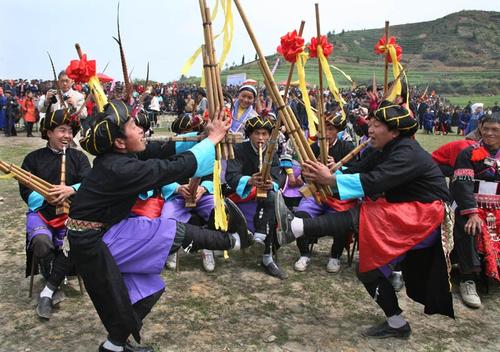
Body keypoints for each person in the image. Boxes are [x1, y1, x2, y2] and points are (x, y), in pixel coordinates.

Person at [67, 100, 252, 352]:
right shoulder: (120, 168)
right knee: (169, 230)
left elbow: (163, 148)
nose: (141, 128)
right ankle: (235, 241)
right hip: (96, 242)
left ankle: (114, 345)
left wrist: (203, 135)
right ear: (120, 142)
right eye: (133, 124)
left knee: (147, 290)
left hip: (103, 233)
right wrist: (212, 140)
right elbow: (173, 167)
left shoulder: (118, 156)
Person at [275, 101, 454, 338]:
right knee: (367, 270)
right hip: (404, 214)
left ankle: (296, 227)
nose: (369, 128)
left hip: (426, 217)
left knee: (368, 212)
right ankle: (397, 323)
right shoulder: (384, 149)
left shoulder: (407, 152)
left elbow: (375, 181)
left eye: (377, 124)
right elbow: (359, 170)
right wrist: (333, 172)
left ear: (395, 131)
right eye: (371, 122)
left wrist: (331, 180)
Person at [20, 109, 91, 319]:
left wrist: (71, 190)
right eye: (62, 130)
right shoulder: (33, 159)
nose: (67, 135)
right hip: (41, 212)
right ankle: (54, 283)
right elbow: (26, 191)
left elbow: (89, 182)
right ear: (48, 132)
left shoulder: (78, 157)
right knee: (41, 240)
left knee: (76, 240)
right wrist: (48, 196)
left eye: (70, 131)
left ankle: (48, 290)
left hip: (71, 213)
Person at [226, 114, 287, 279]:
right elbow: (231, 176)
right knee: (271, 200)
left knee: (272, 196)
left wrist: (271, 184)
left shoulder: (271, 151)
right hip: (241, 194)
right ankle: (266, 256)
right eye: (257, 133)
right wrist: (250, 180)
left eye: (265, 134)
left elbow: (277, 177)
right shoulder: (238, 149)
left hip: (265, 194)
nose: (261, 138)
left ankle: (263, 248)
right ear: (250, 134)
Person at [293, 113, 356, 273]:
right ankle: (305, 254)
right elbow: (302, 175)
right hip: (316, 195)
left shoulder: (348, 148)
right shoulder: (313, 147)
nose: (326, 133)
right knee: (300, 215)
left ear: (337, 131)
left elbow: (356, 175)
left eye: (331, 129)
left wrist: (337, 167)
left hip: (338, 197)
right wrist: (305, 175)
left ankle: (335, 257)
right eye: (323, 129)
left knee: (342, 220)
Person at [450, 113, 500, 309]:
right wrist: (472, 213)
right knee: (469, 227)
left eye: (495, 129)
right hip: (470, 205)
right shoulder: (468, 153)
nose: (489, 133)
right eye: (486, 128)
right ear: (480, 127)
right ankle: (467, 278)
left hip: (497, 207)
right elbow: (462, 186)